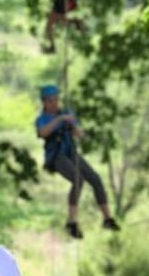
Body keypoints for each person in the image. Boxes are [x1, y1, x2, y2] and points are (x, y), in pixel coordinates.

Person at [35, 84, 120, 239]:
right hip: (57, 157)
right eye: (51, 101)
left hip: (71, 153)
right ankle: (72, 223)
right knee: (77, 180)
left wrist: (74, 126)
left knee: (95, 179)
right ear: (45, 102)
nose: (55, 103)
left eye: (56, 100)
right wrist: (60, 119)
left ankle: (107, 218)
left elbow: (79, 134)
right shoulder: (42, 119)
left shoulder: (67, 113)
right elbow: (42, 132)